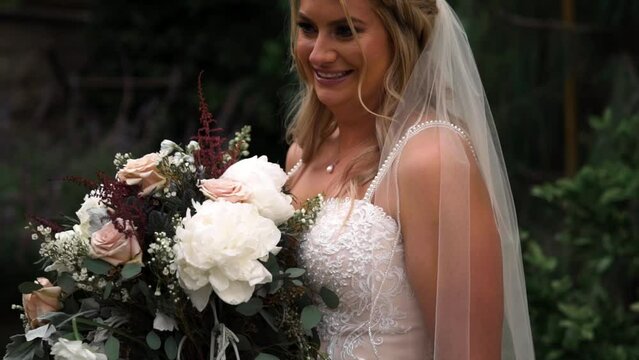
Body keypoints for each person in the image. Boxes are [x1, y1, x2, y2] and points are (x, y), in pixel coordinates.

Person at [284, 0, 535, 359]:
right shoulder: (301, 155)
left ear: (400, 35)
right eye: (308, 28)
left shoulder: (430, 160)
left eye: (346, 31)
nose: (319, 54)